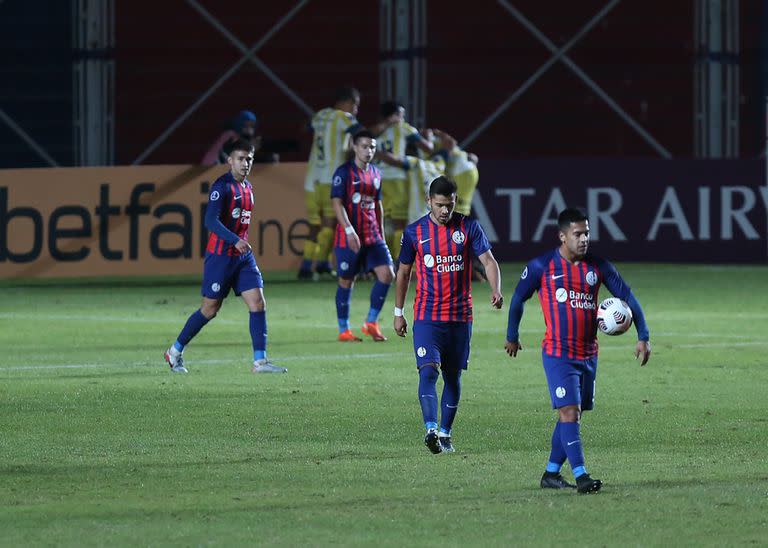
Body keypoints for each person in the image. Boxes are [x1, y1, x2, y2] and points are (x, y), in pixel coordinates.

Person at [504, 207, 651, 493]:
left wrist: (643, 334)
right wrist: (512, 335)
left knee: (574, 414)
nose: (584, 239)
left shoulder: (599, 267)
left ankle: (550, 474)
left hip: (588, 353)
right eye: (578, 234)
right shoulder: (541, 266)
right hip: (558, 353)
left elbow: (628, 297)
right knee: (569, 413)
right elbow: (518, 299)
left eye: (587, 233)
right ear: (562, 236)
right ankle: (582, 476)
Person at [394, 176, 503, 454]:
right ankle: (430, 428)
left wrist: (496, 290)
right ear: (429, 201)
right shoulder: (414, 232)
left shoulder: (468, 227)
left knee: (453, 378)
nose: (445, 211)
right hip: (428, 317)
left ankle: (445, 434)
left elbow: (488, 261)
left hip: (459, 318)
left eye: (450, 205)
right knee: (428, 372)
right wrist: (398, 312)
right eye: (440, 205)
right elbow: (404, 272)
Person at [165, 138, 287, 374]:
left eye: (249, 159)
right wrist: (235, 240)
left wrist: (240, 243)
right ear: (229, 160)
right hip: (221, 256)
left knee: (258, 302)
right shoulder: (221, 186)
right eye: (240, 159)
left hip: (242, 258)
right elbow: (210, 221)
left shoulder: (248, 188)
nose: (245, 164)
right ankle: (175, 351)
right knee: (210, 309)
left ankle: (260, 362)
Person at [331, 130, 394, 342]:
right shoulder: (344, 172)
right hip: (348, 237)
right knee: (347, 280)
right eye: (365, 146)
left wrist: (382, 236)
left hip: (372, 236)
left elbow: (378, 206)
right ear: (355, 147)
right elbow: (337, 203)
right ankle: (344, 330)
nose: (369, 151)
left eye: (372, 147)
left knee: (387, 274)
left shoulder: (376, 173)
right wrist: (349, 230)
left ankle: (371, 322)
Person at [297, 87, 362, 281]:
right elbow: (363, 134)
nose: (356, 110)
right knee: (329, 224)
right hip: (330, 177)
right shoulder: (344, 118)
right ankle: (316, 266)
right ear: (347, 102)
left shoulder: (320, 115)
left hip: (312, 178)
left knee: (314, 224)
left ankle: (312, 266)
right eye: (356, 104)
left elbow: (305, 127)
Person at [375, 102, 433, 263]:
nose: (402, 118)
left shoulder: (375, 131)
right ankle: (397, 262)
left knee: (381, 223)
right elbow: (427, 148)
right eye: (401, 114)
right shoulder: (404, 128)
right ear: (395, 115)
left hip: (375, 178)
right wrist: (428, 138)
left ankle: (380, 262)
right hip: (396, 179)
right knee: (398, 224)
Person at [201, 110, 278, 166]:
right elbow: (208, 161)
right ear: (239, 124)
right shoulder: (229, 136)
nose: (249, 129)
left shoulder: (255, 140)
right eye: (246, 125)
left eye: (252, 126)